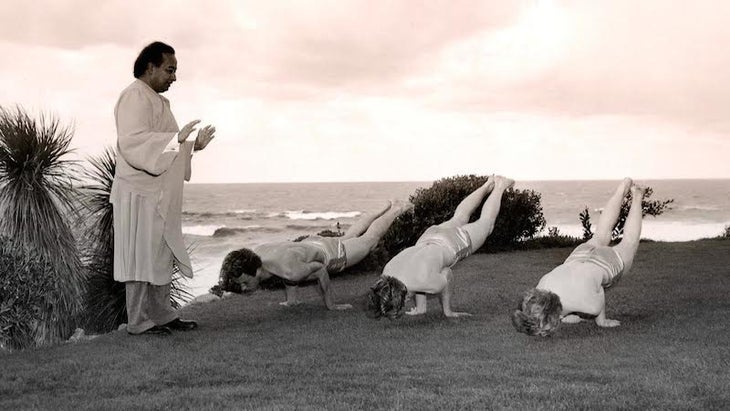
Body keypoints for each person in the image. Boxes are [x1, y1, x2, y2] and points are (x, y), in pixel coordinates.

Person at [111, 41, 215, 335]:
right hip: (137, 193)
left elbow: (171, 147)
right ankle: (137, 322)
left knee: (159, 254)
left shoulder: (159, 102)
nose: (174, 77)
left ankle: (163, 314)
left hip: (156, 194)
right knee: (139, 256)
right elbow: (133, 143)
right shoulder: (133, 97)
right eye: (170, 70)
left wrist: (194, 146)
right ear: (150, 67)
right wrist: (175, 142)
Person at [215, 201, 410, 310]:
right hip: (310, 243)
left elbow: (319, 269)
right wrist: (292, 300)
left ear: (256, 270)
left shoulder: (290, 270)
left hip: (331, 255)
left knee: (370, 240)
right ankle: (381, 208)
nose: (243, 287)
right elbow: (286, 270)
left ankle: (398, 209)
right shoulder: (257, 252)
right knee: (348, 236)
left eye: (244, 282)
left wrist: (331, 304)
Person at [511, 178, 646, 337]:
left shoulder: (590, 307)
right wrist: (570, 313)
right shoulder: (542, 286)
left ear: (557, 317)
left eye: (544, 330)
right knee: (601, 233)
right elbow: (569, 292)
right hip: (580, 255)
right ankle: (622, 188)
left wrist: (600, 320)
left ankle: (637, 196)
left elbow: (599, 290)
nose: (543, 334)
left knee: (629, 243)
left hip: (605, 264)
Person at [367, 175, 514, 320]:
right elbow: (416, 279)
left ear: (404, 300)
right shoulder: (387, 272)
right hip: (428, 237)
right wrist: (421, 307)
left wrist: (447, 311)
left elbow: (446, 273)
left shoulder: (428, 284)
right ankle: (488, 184)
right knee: (460, 217)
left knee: (486, 224)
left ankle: (500, 185)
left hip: (452, 244)